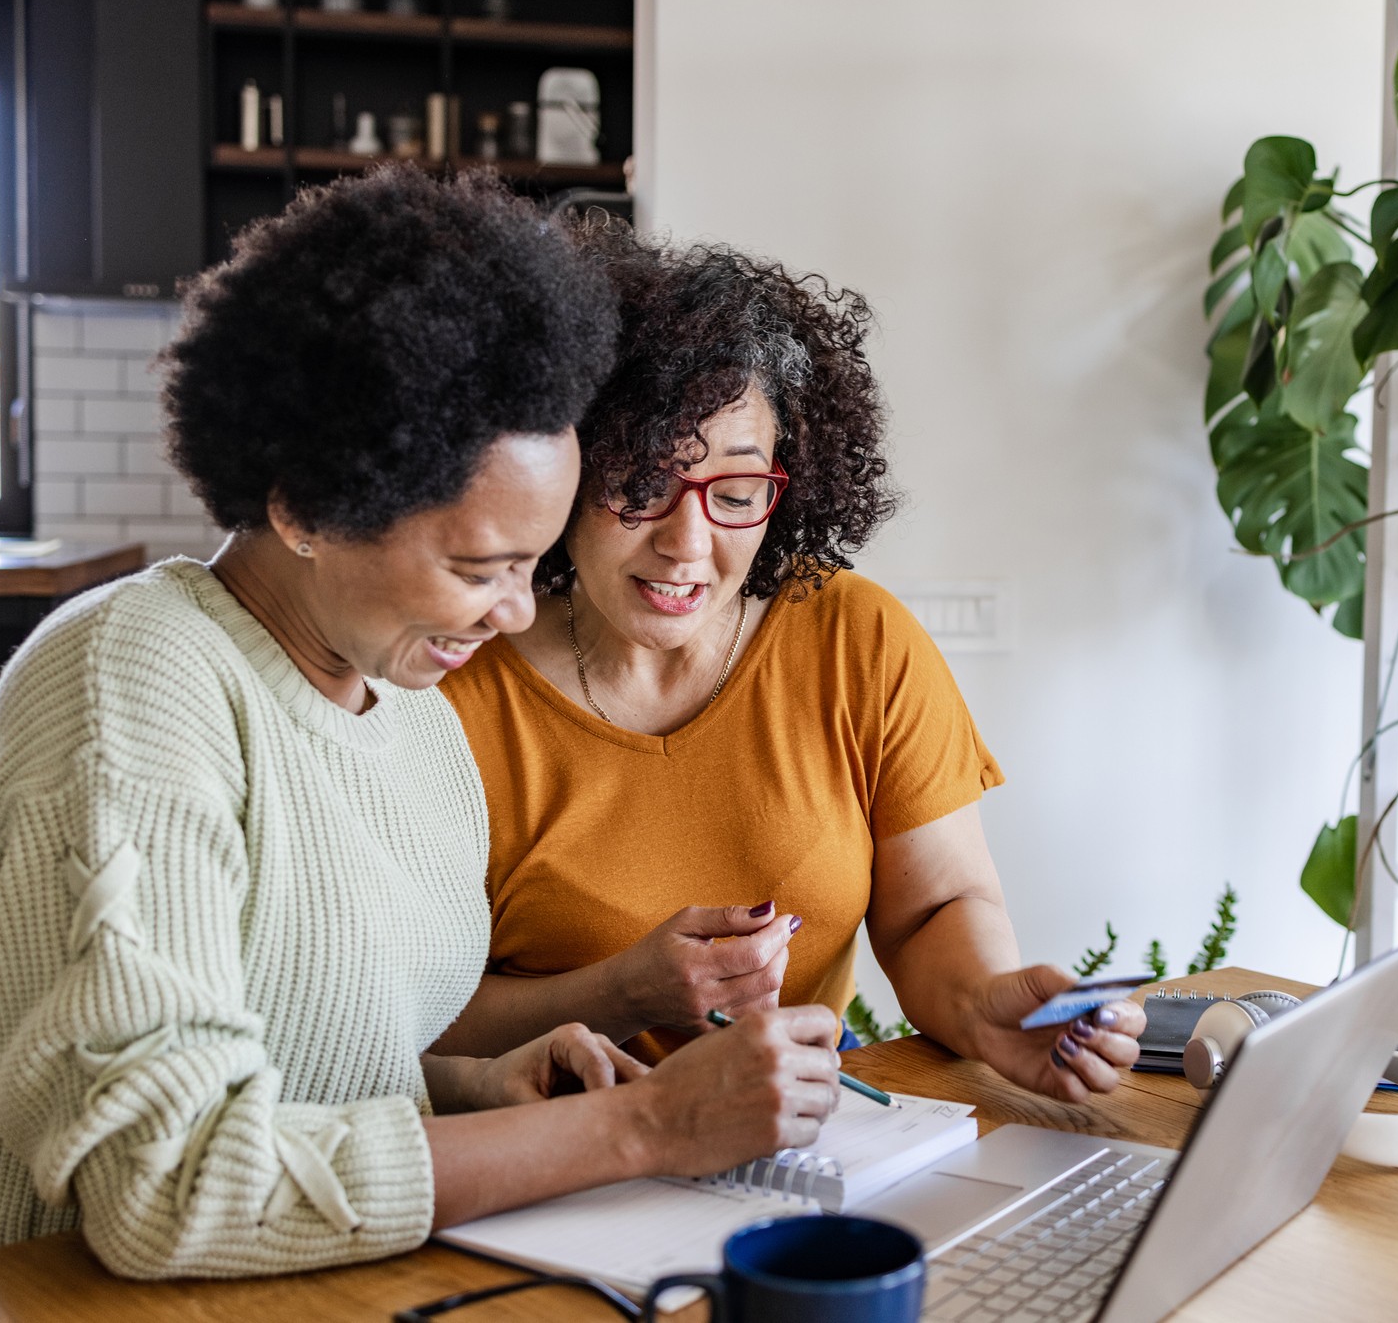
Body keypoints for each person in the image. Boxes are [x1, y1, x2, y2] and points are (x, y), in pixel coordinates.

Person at [0, 170, 842, 1280]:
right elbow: (171, 1185)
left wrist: (480, 1091)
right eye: (477, 567)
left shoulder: (409, 716)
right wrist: (640, 1129)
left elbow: (311, 1061)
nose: (513, 612)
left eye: (530, 566)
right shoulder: (129, 683)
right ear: (305, 504)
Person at [436, 226, 1145, 1100]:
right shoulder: (454, 687)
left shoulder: (856, 642)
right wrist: (622, 993)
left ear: (786, 485)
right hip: (555, 1158)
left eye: (735, 495)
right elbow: (394, 1014)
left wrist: (984, 1004)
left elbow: (934, 910)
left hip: (801, 1142)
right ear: (566, 471)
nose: (687, 545)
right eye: (640, 488)